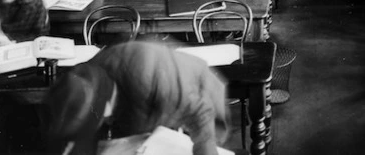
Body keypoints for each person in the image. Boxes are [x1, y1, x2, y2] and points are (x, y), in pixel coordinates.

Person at [46, 41, 228, 155]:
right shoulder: (86, 75)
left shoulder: (155, 77)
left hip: (197, 93)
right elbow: (78, 137)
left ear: (108, 108)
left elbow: (201, 114)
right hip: (141, 103)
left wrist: (205, 149)